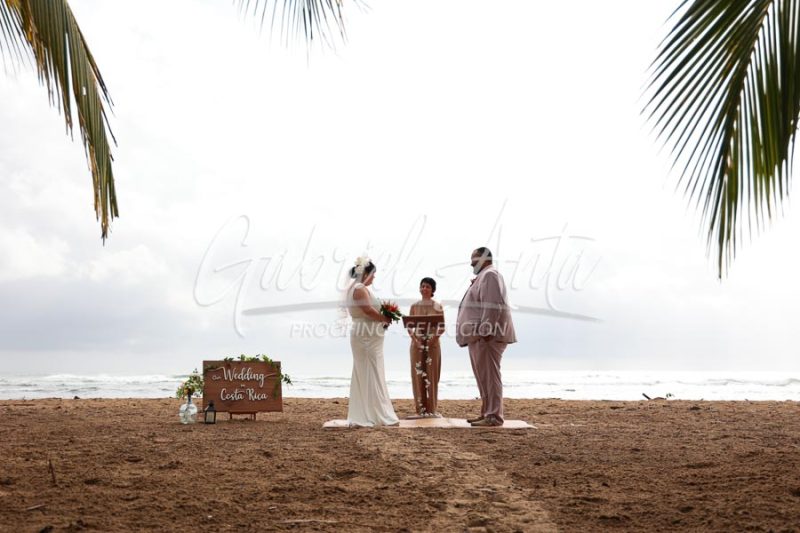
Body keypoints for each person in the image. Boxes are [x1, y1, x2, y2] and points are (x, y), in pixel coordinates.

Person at [455, 247, 516, 426]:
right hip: (477, 337)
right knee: (483, 377)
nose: (471, 263)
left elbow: (493, 305)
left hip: (487, 337)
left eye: (474, 259)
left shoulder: (490, 275)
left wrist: (485, 331)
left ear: (484, 259)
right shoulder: (484, 276)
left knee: (490, 376)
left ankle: (494, 416)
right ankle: (486, 412)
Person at [343, 256, 399, 427]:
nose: (374, 277)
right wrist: (384, 317)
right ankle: (371, 414)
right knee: (369, 371)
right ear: (365, 273)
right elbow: (367, 309)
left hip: (368, 335)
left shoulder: (357, 287)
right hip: (365, 335)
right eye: (373, 274)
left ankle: (371, 411)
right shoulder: (359, 288)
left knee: (370, 370)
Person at [406, 277, 445, 417]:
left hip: (433, 344)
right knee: (417, 375)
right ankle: (420, 409)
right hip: (417, 344)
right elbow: (409, 327)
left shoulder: (437, 306)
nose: (424, 289)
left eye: (428, 286)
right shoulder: (414, 306)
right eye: (422, 286)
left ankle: (432, 409)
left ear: (433, 289)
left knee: (432, 375)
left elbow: (442, 327)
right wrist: (415, 340)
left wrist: (433, 339)